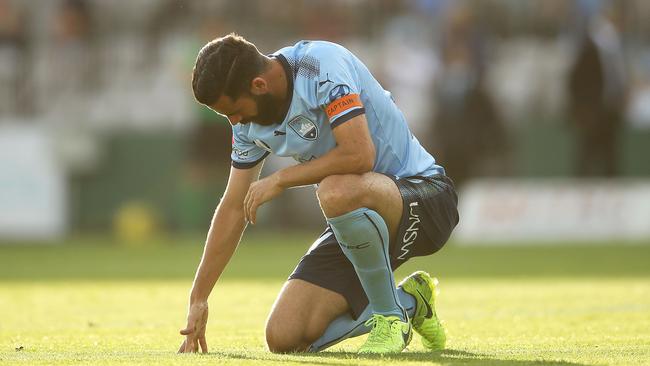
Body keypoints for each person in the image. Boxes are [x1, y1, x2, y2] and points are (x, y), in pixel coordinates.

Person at [178, 34, 459, 355]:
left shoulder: (321, 66)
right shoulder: (247, 126)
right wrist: (199, 297)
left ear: (258, 85)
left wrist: (282, 178)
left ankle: (389, 316)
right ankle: (411, 302)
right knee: (285, 336)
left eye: (235, 111)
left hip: (425, 196)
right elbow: (232, 207)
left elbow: (359, 155)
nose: (235, 122)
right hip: (355, 214)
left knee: (335, 190)